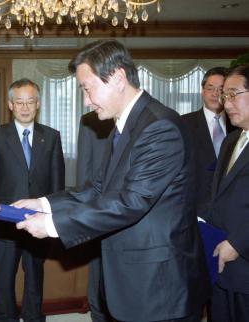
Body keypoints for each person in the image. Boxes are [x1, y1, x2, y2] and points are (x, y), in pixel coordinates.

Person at [15, 39, 210, 322]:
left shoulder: (159, 127)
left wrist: (52, 225)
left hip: (160, 290)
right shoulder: (124, 125)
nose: (86, 100)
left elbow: (131, 201)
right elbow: (98, 187)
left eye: (87, 88)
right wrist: (44, 203)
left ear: (117, 78)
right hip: (133, 280)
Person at [0, 78, 65, 322]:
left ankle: (33, 317)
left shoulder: (51, 137)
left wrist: (54, 218)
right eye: (19, 102)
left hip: (38, 222)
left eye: (30, 102)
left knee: (35, 275)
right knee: (4, 278)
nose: (25, 107)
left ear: (38, 104)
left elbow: (57, 185)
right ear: (10, 104)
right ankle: (4, 317)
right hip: (5, 222)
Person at [204, 64, 249, 322]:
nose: (226, 103)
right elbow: (217, 197)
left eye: (233, 94)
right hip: (220, 264)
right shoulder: (232, 140)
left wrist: (238, 244)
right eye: (224, 96)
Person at [181, 67, 235, 218]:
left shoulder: (239, 125)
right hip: (194, 211)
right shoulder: (184, 124)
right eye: (210, 88)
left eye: (221, 89)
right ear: (202, 91)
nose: (215, 94)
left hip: (233, 211)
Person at [76, 111, 113, 322]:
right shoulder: (90, 119)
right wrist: (84, 207)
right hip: (98, 204)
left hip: (132, 206)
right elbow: (84, 166)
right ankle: (98, 313)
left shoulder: (144, 117)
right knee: (97, 262)